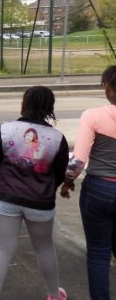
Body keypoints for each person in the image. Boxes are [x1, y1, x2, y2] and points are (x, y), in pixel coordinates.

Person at [0, 86, 69, 300]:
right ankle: (52, 294)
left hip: (6, 197)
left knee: (2, 249)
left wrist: (6, 182)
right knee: (44, 247)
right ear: (50, 107)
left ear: (24, 103)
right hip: (41, 201)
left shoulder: (5, 130)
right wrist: (44, 185)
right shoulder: (57, 137)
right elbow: (58, 173)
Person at [62, 65, 116, 300]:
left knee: (99, 254)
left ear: (111, 89)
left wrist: (67, 182)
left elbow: (79, 160)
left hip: (100, 189)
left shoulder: (94, 116)